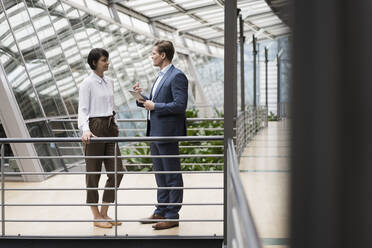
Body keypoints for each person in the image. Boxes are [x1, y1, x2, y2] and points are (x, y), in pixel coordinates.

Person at [133, 40, 188, 230]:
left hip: (167, 134)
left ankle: (172, 215)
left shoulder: (177, 76)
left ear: (163, 55)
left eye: (154, 53)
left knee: (172, 175)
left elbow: (180, 106)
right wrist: (141, 98)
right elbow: (154, 102)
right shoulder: (160, 76)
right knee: (160, 175)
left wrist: (154, 106)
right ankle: (161, 210)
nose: (152, 56)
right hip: (155, 133)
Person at [78, 48, 123, 229]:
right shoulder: (87, 83)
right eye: (104, 60)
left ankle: (105, 212)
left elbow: (111, 105)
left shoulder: (109, 81)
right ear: (94, 62)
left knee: (118, 171)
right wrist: (85, 130)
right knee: (93, 174)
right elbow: (82, 111)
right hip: (94, 128)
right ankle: (96, 215)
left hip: (110, 127)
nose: (107, 63)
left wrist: (114, 125)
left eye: (107, 59)